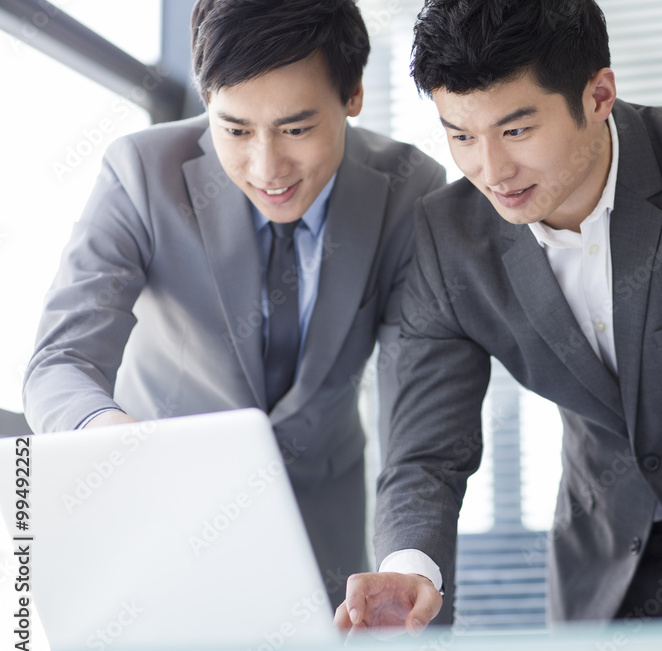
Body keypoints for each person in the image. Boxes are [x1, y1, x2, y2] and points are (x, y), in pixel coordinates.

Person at [334, 0, 662, 635]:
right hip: (607, 565)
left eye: (516, 131)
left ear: (599, 96)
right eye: (460, 136)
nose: (491, 170)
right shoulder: (446, 236)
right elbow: (426, 450)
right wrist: (409, 565)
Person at [22, 0, 445, 604]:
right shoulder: (140, 173)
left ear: (352, 94)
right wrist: (111, 439)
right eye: (236, 130)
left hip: (325, 544)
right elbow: (60, 363)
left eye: (296, 129)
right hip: (154, 527)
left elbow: (416, 406)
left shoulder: (410, 190)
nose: (267, 167)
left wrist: (406, 557)